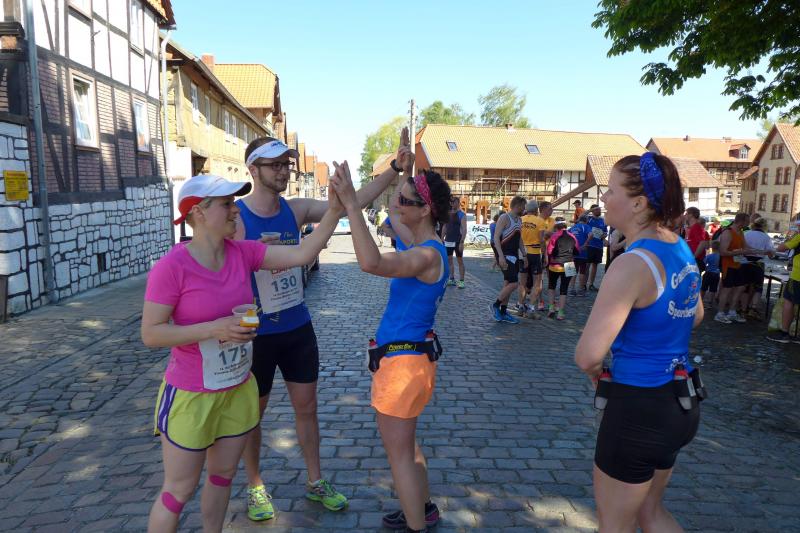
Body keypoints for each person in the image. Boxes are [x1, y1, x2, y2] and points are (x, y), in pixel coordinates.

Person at [141, 174, 341, 533]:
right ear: (199, 212)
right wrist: (213, 329)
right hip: (192, 394)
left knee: (223, 477)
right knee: (178, 491)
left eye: (234, 203)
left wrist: (338, 209)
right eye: (226, 204)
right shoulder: (171, 267)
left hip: (236, 388)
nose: (236, 210)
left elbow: (302, 253)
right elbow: (151, 333)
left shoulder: (243, 253)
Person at [233, 131, 414, 520]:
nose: (284, 171)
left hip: (296, 326)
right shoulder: (236, 218)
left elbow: (351, 202)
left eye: (286, 164)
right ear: (253, 169)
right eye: (274, 165)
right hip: (255, 334)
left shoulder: (295, 209)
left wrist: (395, 170)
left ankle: (315, 481)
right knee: (251, 415)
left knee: (307, 408)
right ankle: (255, 485)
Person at [574, 153, 703, 533]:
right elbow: (696, 314)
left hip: (638, 406)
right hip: (680, 401)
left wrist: (599, 372)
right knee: (651, 513)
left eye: (611, 190)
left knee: (614, 525)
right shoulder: (678, 247)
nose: (603, 198)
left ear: (638, 203)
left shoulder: (632, 264)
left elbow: (588, 356)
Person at [329, 160, 450, 533]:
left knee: (400, 457)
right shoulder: (424, 244)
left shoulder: (425, 256)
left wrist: (352, 205)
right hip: (409, 361)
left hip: (402, 367)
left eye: (404, 200)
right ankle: (423, 509)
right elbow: (393, 218)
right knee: (408, 450)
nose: (397, 204)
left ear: (425, 210)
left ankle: (416, 525)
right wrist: (399, 169)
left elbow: (371, 262)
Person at [714, 213, 760, 324]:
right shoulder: (728, 232)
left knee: (740, 288)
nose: (749, 224)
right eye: (747, 221)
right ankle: (720, 314)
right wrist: (739, 252)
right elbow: (723, 252)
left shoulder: (741, 232)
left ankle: (732, 312)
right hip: (728, 266)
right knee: (727, 289)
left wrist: (762, 251)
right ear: (741, 221)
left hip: (739, 264)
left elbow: (746, 247)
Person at [492, 196, 527, 323]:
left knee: (508, 284)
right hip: (505, 255)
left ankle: (503, 311)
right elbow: (496, 237)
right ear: (517, 206)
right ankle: (495, 305)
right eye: (523, 207)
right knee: (514, 283)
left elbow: (519, 239)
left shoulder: (519, 220)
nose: (524, 209)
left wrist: (524, 254)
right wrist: (500, 256)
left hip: (514, 255)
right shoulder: (504, 218)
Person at [768, 218, 800, 343]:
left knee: (789, 301)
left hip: (797, 276)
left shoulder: (798, 237)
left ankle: (785, 333)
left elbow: (781, 248)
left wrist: (791, 237)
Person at [545, 217, 579, 320]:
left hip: (555, 264)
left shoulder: (554, 236)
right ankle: (560, 313)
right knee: (564, 289)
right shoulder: (573, 236)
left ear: (556, 226)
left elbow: (549, 251)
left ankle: (551, 308)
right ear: (565, 225)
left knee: (551, 286)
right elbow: (577, 251)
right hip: (569, 264)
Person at [742, 217, 775, 319]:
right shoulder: (766, 237)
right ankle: (753, 308)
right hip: (758, 264)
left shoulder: (746, 234)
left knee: (745, 287)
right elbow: (771, 254)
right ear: (764, 226)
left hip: (746, 262)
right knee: (758, 287)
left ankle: (743, 309)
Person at [517, 200, 544, 316]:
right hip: (535, 252)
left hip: (522, 253)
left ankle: (520, 307)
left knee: (522, 282)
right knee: (536, 282)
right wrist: (545, 254)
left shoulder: (520, 220)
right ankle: (531, 309)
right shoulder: (539, 221)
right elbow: (542, 240)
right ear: (536, 210)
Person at [442, 196, 467, 288]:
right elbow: (445, 227)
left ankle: (461, 281)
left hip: (458, 241)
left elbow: (464, 229)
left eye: (454, 202)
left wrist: (462, 242)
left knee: (460, 261)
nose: (452, 203)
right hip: (448, 240)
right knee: (449, 260)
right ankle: (452, 279)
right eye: (451, 202)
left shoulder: (462, 215)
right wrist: (441, 238)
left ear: (458, 203)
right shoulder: (447, 214)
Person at [568, 214, 592, 296]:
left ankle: (571, 289)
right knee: (582, 271)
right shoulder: (586, 226)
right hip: (582, 252)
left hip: (571, 252)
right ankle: (581, 290)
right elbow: (591, 235)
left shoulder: (572, 227)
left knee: (571, 271)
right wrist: (586, 243)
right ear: (586, 220)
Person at [585, 204, 608, 291]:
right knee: (587, 265)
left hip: (599, 246)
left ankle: (591, 284)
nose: (599, 211)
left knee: (595, 265)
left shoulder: (603, 220)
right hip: (589, 245)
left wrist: (604, 235)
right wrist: (590, 210)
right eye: (597, 209)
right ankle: (584, 284)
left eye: (599, 209)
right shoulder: (589, 218)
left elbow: (605, 232)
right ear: (593, 210)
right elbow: (581, 217)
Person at [701, 240, 721, 306]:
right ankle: (710, 302)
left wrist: (706, 268)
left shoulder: (709, 256)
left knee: (704, 287)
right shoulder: (720, 257)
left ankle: (701, 300)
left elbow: (704, 263)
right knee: (713, 289)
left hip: (708, 273)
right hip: (716, 274)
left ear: (712, 247)